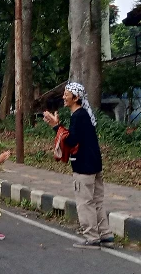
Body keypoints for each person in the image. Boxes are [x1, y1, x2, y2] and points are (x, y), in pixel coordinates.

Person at [43, 82, 114, 249]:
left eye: (67, 94)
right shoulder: (84, 115)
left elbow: (71, 140)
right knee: (97, 201)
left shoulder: (78, 116)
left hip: (83, 166)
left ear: (76, 98)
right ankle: (105, 235)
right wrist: (59, 127)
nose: (64, 97)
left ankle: (92, 237)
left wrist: (56, 127)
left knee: (85, 202)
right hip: (95, 164)